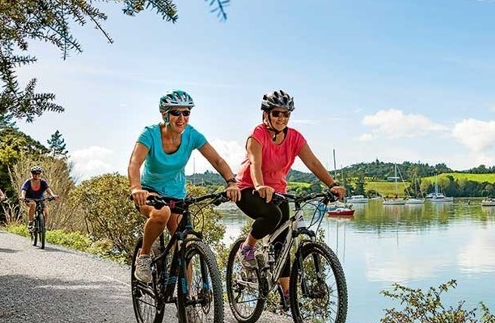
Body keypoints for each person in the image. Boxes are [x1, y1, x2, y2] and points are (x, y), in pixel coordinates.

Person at [234, 90, 346, 308]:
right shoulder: (256, 135)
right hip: (248, 189)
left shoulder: (294, 137)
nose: (281, 118)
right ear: (266, 114)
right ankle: (246, 248)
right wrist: (259, 186)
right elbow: (255, 164)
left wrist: (331, 184)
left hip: (278, 191)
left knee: (283, 240)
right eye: (277, 113)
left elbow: (313, 163)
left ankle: (286, 294)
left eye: (286, 114)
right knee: (272, 215)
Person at [128, 89, 241, 283]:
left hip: (177, 193)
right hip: (149, 191)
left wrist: (231, 182)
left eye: (186, 112)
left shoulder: (192, 135)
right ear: (165, 113)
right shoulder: (150, 134)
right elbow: (134, 163)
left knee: (184, 246)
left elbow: (217, 160)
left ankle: (189, 301)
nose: (181, 118)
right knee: (161, 213)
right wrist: (136, 188)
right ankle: (144, 256)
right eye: (176, 112)